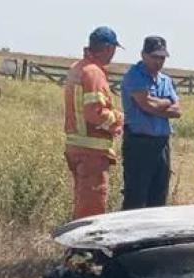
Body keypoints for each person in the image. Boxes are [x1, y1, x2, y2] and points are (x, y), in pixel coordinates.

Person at [63, 26, 124, 219]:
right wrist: (119, 119)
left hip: (77, 147)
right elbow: (94, 112)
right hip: (92, 152)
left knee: (82, 204)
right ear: (108, 48)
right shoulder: (94, 73)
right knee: (92, 209)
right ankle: (84, 249)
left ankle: (78, 247)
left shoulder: (77, 68)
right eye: (113, 49)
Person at [120, 36, 181, 210]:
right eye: (155, 57)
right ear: (143, 55)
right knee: (136, 197)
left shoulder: (166, 80)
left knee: (158, 196)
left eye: (162, 57)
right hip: (139, 143)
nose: (159, 61)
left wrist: (157, 105)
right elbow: (147, 105)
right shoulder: (134, 76)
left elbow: (177, 111)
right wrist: (166, 102)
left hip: (161, 143)